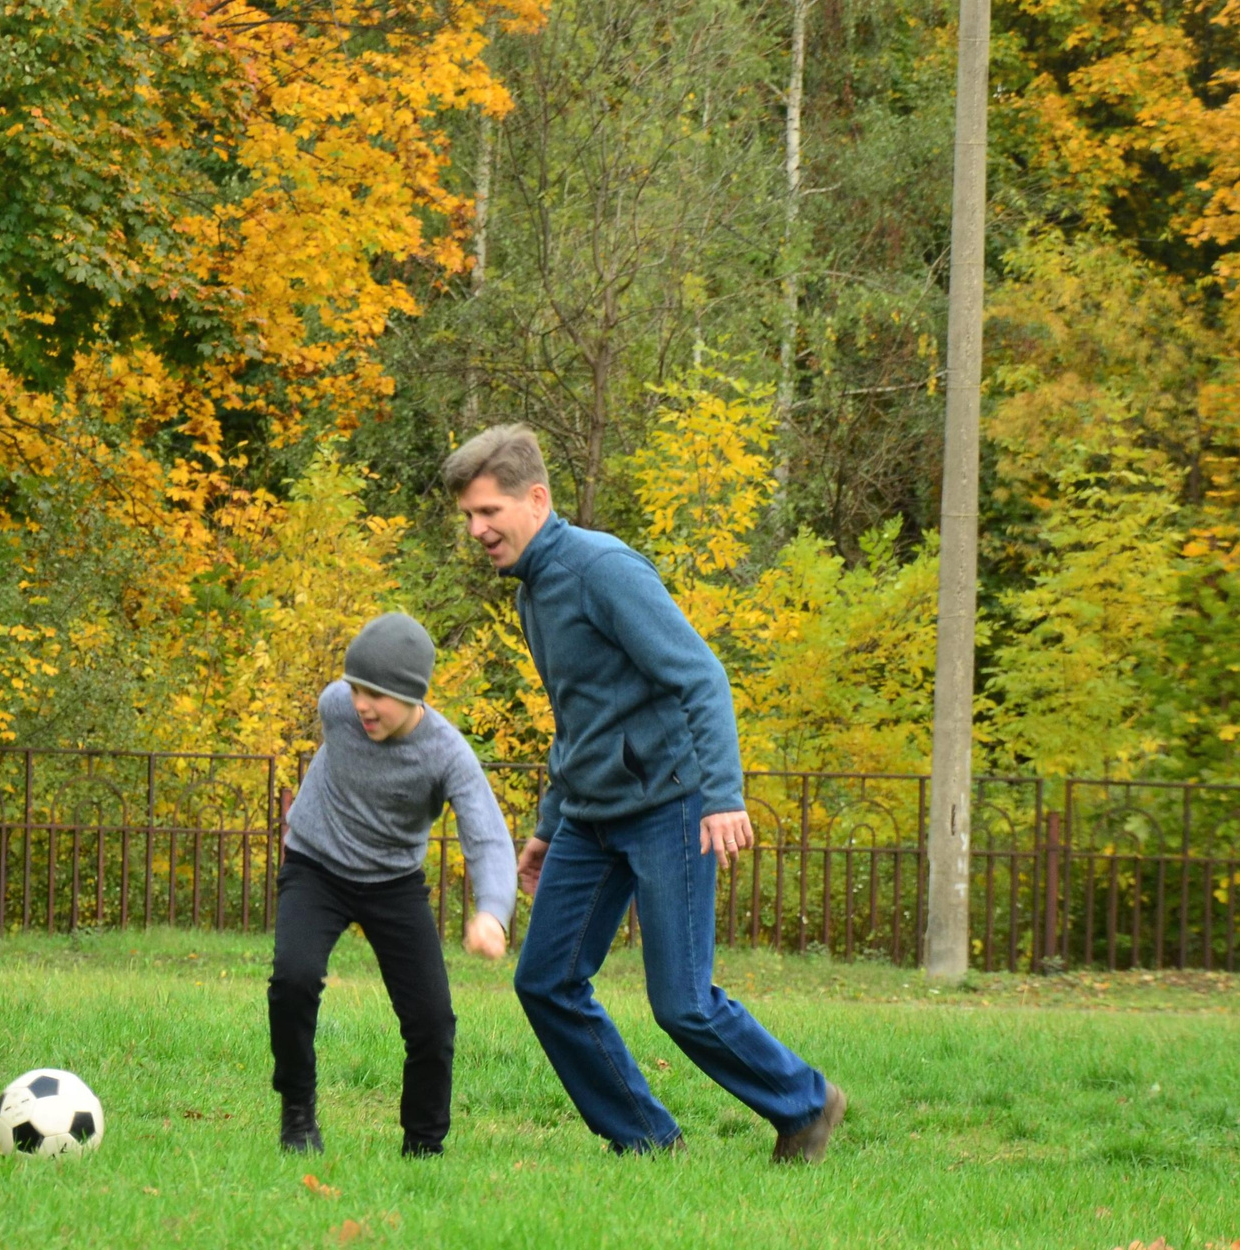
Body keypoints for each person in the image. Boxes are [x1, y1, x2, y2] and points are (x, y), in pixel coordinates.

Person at [441, 424, 847, 1161]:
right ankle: (646, 1142)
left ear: (536, 499)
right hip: (592, 818)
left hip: (672, 806)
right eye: (469, 517)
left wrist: (723, 795)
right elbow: (579, 722)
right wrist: (548, 824)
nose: (476, 530)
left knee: (683, 1003)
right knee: (546, 981)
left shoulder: (603, 569)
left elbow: (700, 677)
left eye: (488, 512)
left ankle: (807, 1103)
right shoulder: (532, 593)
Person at [271, 613, 517, 1157]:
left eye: (377, 694)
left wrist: (493, 910)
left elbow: (487, 836)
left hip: (393, 881)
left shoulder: (446, 753)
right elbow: (344, 701)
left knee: (432, 1019)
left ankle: (424, 1148)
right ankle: (297, 1112)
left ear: (413, 696)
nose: (361, 704)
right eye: (356, 687)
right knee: (294, 977)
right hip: (315, 864)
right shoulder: (336, 707)